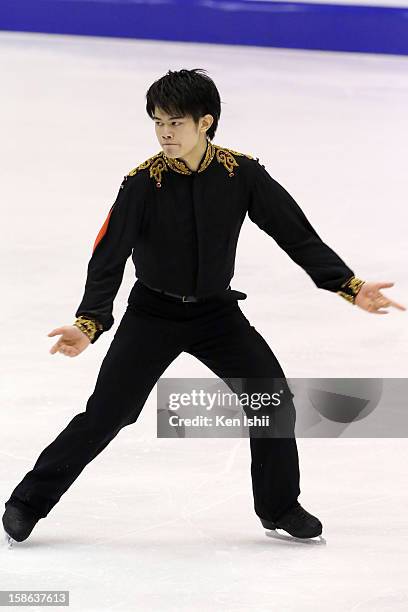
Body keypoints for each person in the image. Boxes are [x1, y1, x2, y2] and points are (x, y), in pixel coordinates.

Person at [3, 69, 406, 547]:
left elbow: (294, 233)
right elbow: (107, 256)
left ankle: (279, 507)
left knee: (271, 401)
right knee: (108, 413)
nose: (165, 133)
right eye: (157, 123)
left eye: (175, 122)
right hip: (152, 315)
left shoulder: (241, 174)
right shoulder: (141, 184)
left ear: (205, 122)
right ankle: (26, 502)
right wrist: (90, 323)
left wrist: (347, 284)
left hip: (217, 315)